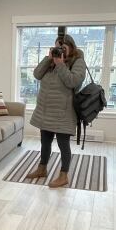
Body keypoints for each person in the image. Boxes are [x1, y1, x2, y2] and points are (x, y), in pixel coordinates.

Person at [26, 34, 86, 188]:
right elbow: (37, 74)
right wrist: (49, 58)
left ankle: (63, 175)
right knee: (45, 142)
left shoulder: (78, 62)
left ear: (71, 47)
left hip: (63, 113)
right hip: (45, 111)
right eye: (57, 47)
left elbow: (72, 82)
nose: (60, 51)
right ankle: (42, 169)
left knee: (63, 144)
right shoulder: (51, 61)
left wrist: (60, 64)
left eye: (63, 48)